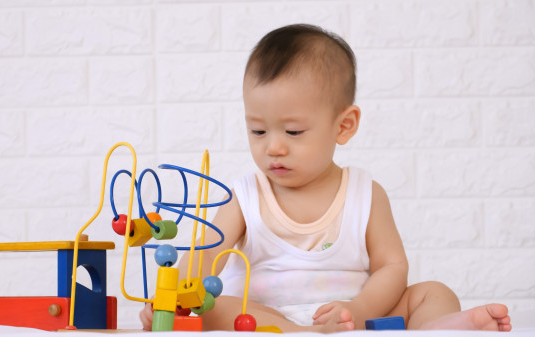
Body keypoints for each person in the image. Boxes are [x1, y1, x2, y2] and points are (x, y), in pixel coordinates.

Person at [140, 24, 512, 332]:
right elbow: (203, 258)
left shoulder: (366, 194)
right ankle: (300, 335)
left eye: (293, 132)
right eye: (258, 131)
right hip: (266, 317)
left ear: (344, 125)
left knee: (433, 292)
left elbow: (392, 266)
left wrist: (361, 308)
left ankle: (440, 327)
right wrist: (171, 300)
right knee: (213, 307)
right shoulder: (245, 195)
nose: (273, 148)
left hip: (352, 315)